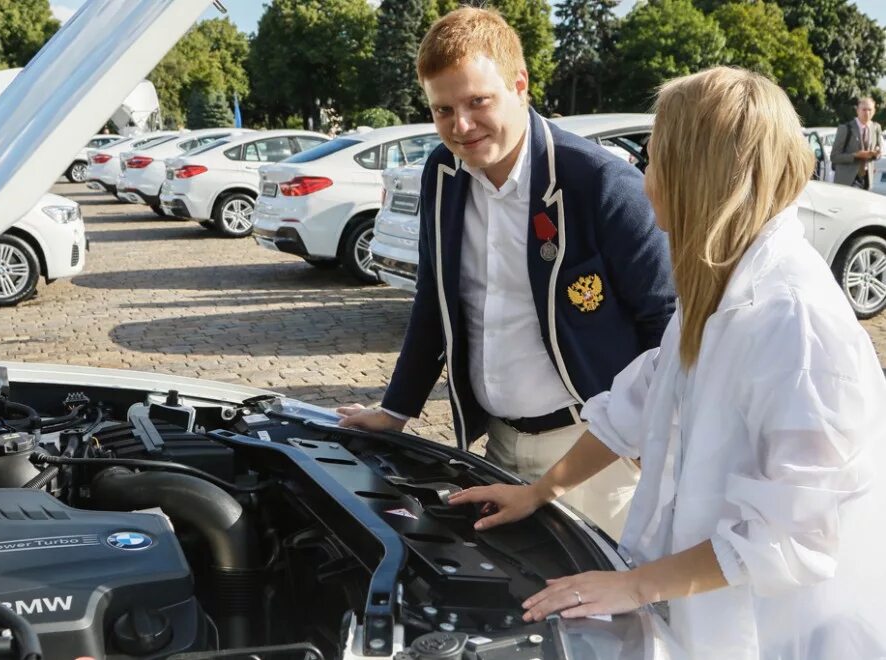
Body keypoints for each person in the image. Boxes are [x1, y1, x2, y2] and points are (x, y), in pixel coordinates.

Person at [448, 67, 886, 659]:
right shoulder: (720, 283)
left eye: (653, 159)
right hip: (700, 612)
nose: (641, 175)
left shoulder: (794, 323)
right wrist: (540, 492)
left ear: (697, 175)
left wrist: (632, 586)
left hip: (779, 633)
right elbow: (641, 400)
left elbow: (788, 536)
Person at [337, 7, 675, 538]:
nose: (461, 126)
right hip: (495, 445)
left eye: (478, 102)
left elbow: (666, 325)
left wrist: (644, 442)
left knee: (606, 614)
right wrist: (397, 409)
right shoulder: (442, 174)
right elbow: (435, 300)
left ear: (520, 85)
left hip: (595, 454)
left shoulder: (600, 183)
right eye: (443, 109)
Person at [830, 97, 883, 189]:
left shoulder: (876, 128)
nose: (867, 113)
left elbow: (879, 152)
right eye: (864, 109)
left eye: (870, 110)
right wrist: (855, 155)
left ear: (874, 111)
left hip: (867, 179)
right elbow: (834, 157)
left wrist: (876, 153)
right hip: (847, 180)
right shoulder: (846, 128)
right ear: (857, 111)